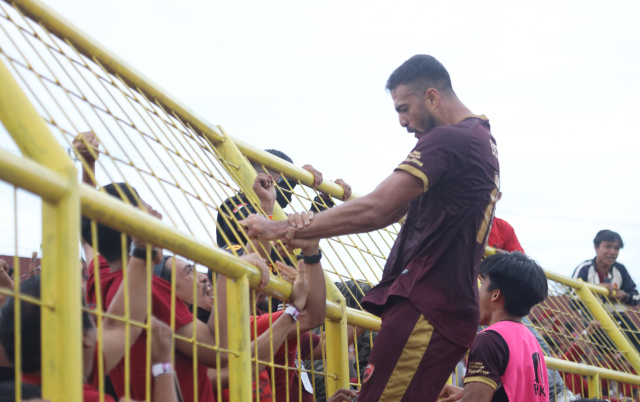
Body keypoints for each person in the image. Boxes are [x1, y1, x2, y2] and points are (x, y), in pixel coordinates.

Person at [241, 54, 500, 401]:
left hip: (428, 305)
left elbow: (379, 207)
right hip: (447, 306)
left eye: (403, 108)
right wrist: (310, 229)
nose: (402, 121)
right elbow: (393, 211)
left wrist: (280, 227)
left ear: (432, 97)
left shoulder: (451, 140)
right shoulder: (481, 139)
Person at [82, 182, 270, 402]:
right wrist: (228, 274)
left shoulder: (102, 280)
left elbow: (88, 235)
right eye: (149, 213)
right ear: (134, 229)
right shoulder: (152, 291)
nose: (159, 216)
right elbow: (218, 352)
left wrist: (89, 165)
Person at [0, 273, 179, 402]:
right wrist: (163, 364)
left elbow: (119, 326)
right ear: (82, 336)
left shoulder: (24, 387)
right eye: (92, 316)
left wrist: (141, 252)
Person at [438, 252, 549, 402]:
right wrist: (466, 393)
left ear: (495, 294)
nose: (477, 292)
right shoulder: (531, 340)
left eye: (482, 284)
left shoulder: (490, 339)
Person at [572, 230, 640, 352]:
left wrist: (623, 295)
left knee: (636, 341)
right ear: (596, 247)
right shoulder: (584, 269)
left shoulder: (621, 269)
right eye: (608, 247)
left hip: (619, 318)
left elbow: (636, 297)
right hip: (593, 320)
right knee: (605, 348)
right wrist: (595, 290)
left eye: (617, 248)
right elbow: (572, 300)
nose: (613, 252)